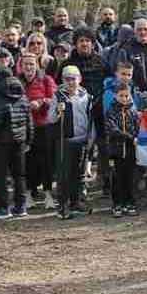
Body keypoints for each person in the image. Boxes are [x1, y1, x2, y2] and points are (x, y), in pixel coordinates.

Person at [0, 65, 32, 220]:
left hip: (1, 143)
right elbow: (29, 121)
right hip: (20, 141)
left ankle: (3, 208)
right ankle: (21, 206)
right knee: (20, 175)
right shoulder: (23, 96)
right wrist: (29, 141)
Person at [53, 65, 95, 218]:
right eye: (67, 79)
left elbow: (91, 120)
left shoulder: (87, 97)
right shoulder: (58, 96)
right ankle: (63, 206)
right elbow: (50, 118)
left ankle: (76, 202)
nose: (71, 82)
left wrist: (91, 139)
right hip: (65, 140)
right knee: (64, 174)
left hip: (82, 140)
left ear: (80, 79)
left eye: (73, 79)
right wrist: (57, 111)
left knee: (78, 174)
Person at [102, 63, 141, 215]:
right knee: (117, 178)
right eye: (121, 96)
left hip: (131, 150)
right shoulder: (111, 110)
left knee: (130, 178)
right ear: (116, 96)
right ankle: (117, 203)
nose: (124, 98)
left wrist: (137, 137)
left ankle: (130, 202)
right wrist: (130, 138)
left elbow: (137, 127)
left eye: (127, 96)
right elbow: (112, 129)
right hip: (116, 150)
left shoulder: (132, 111)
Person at [18, 52, 56, 207]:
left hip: (43, 126)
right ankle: (28, 194)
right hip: (23, 126)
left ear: (37, 65)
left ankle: (48, 194)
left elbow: (54, 99)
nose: (28, 67)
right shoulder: (16, 81)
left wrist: (41, 102)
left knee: (46, 161)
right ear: (21, 66)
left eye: (31, 64)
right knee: (27, 161)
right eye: (25, 64)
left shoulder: (46, 79)